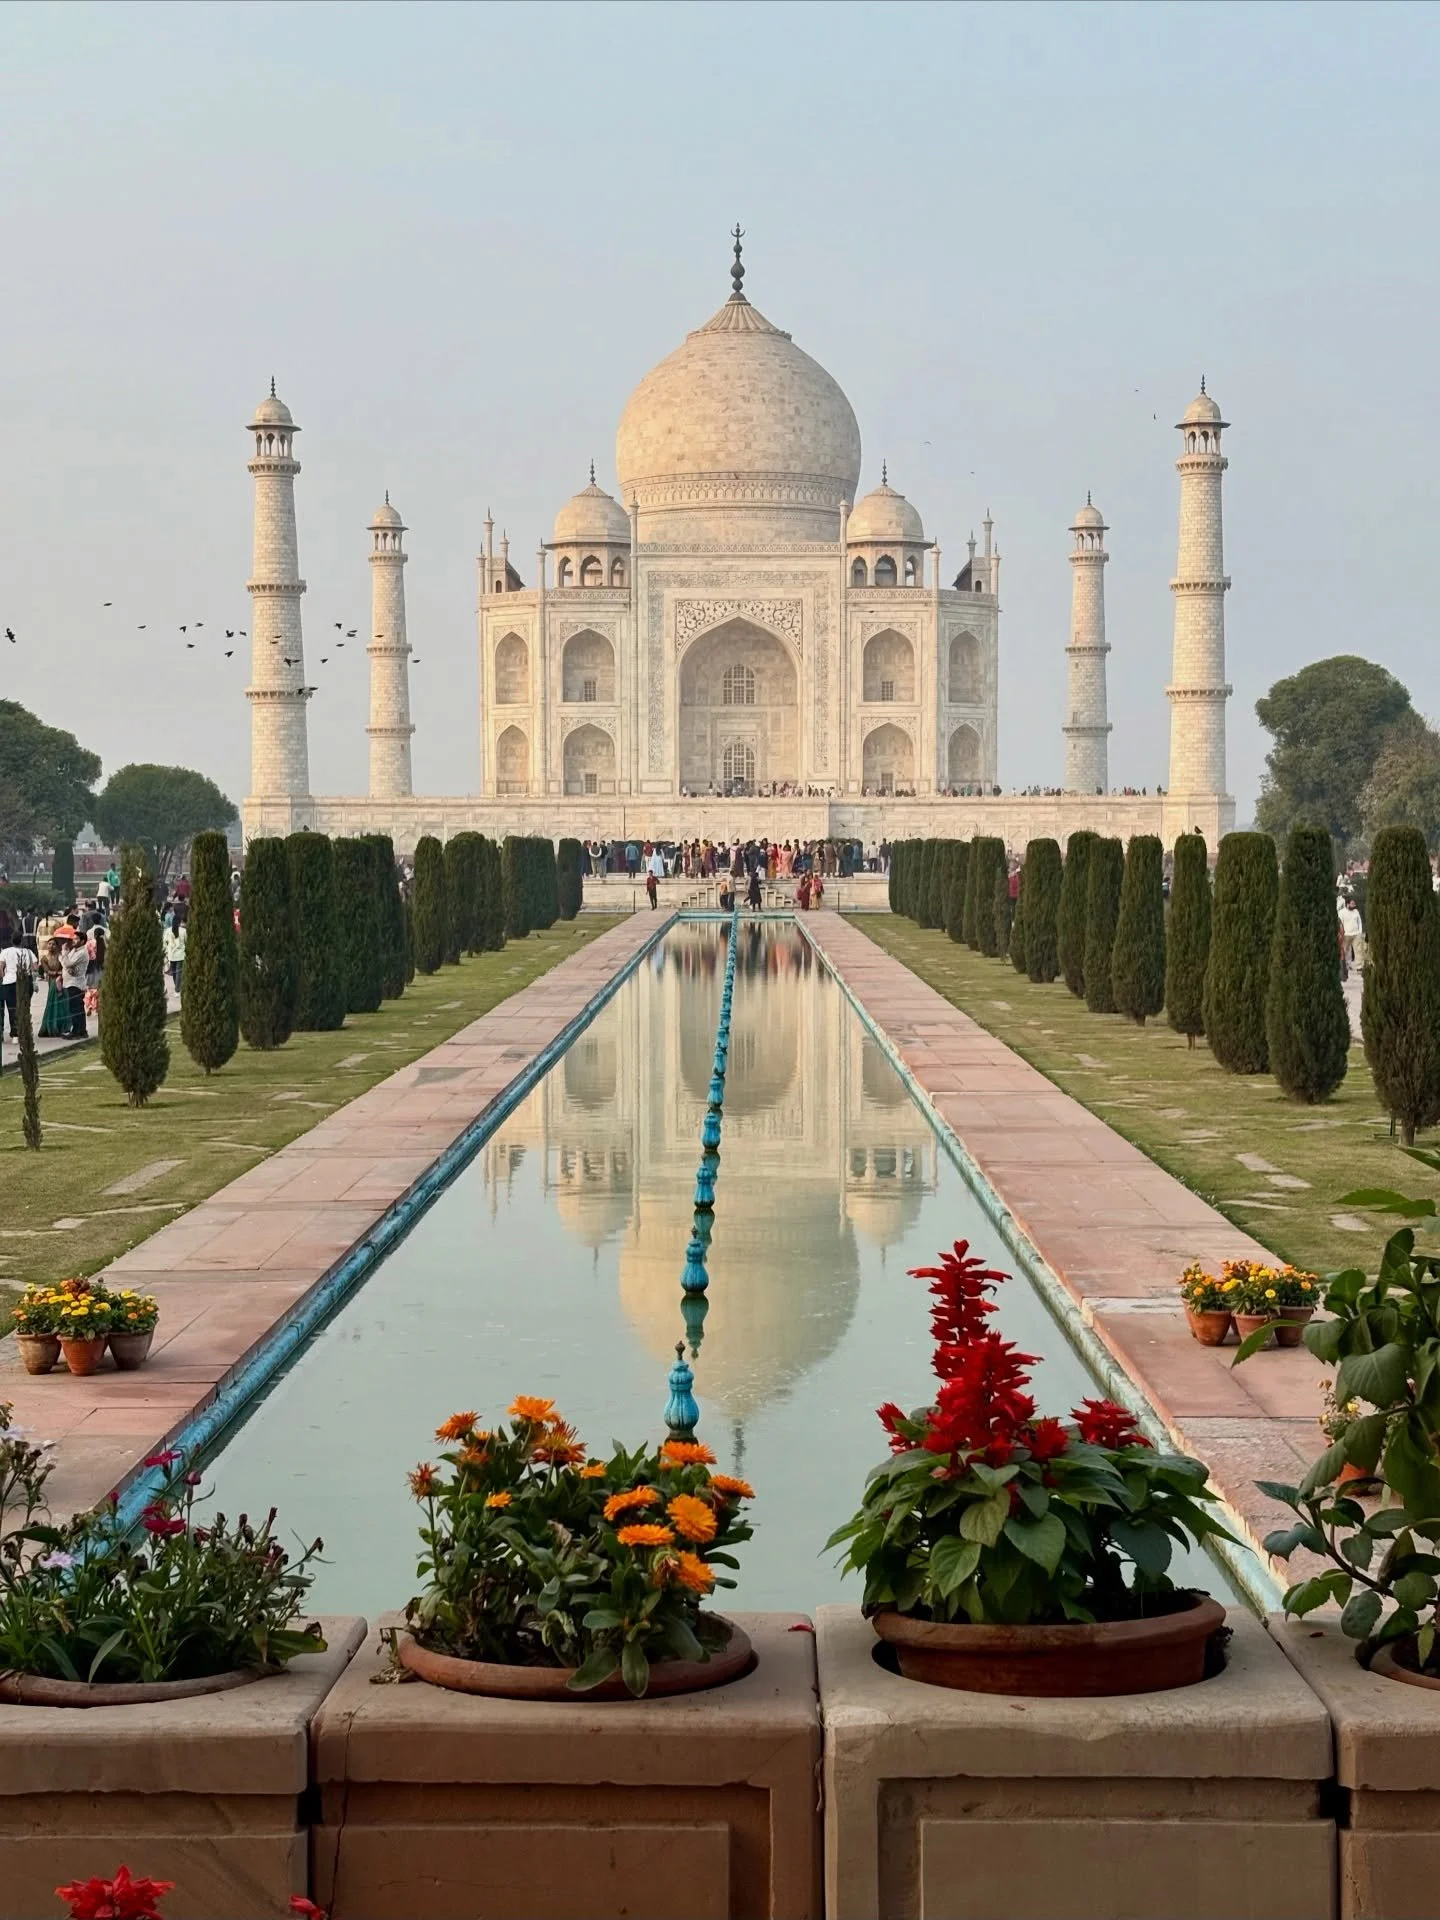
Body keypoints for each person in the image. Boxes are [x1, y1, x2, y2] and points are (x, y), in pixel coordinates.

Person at [0, 934, 36, 1040]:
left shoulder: (5, 952)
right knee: (24, 1007)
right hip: (25, 981)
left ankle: (15, 1032)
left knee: (12, 1008)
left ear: (12, 941)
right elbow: (34, 967)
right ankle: (24, 1031)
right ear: (22, 941)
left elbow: (1, 967)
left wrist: (3, 977)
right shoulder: (29, 952)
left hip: (9, 982)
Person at [164, 917, 187, 996]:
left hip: (171, 954)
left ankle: (177, 987)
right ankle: (177, 990)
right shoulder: (183, 931)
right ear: (179, 922)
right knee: (178, 972)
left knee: (174, 972)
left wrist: (166, 951)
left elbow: (165, 941)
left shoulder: (168, 930)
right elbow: (186, 941)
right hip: (180, 954)